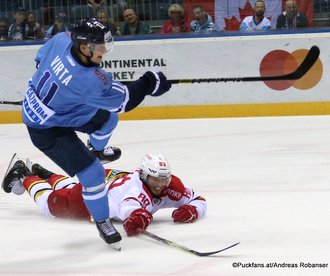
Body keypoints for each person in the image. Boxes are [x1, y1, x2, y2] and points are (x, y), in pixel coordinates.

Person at [19, 18, 171, 245]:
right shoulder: (89, 80)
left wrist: (61, 95)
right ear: (84, 47)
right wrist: (150, 82)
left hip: (63, 109)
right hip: (46, 129)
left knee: (107, 120)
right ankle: (102, 221)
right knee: (94, 175)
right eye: (100, 47)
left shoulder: (62, 40)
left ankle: (97, 150)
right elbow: (125, 100)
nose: (104, 52)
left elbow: (40, 61)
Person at [2, 153, 207, 237]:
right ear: (144, 175)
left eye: (164, 179)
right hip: (90, 199)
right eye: (155, 179)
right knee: (51, 205)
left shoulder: (171, 185)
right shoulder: (134, 189)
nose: (161, 184)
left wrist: (193, 210)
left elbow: (198, 199)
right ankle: (26, 174)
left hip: (108, 180)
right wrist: (137, 216)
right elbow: (128, 205)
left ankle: (44, 173)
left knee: (73, 184)